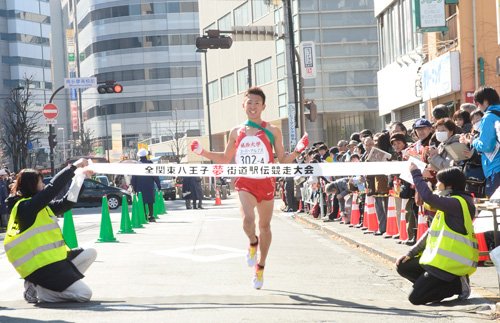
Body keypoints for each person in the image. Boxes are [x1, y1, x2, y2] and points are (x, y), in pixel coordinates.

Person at [189, 86, 309, 289]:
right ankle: (252, 242)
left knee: (265, 227)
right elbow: (226, 158)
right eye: (249, 102)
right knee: (247, 221)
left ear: (263, 106)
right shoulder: (236, 132)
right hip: (244, 182)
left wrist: (298, 150)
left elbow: (282, 160)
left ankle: (260, 267)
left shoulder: (273, 131)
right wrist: (203, 151)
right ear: (244, 105)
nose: (253, 106)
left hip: (266, 183)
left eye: (257, 103)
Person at [4, 159, 97, 303]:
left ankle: (43, 287)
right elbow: (52, 188)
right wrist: (74, 167)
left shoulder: (40, 206)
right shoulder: (25, 208)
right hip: (40, 268)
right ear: (31, 186)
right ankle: (43, 292)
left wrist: (81, 177)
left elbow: (67, 203)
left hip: (55, 262)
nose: (44, 185)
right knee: (85, 294)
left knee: (90, 253)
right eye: (41, 183)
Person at [396, 164, 478, 305]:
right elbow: (431, 232)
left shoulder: (456, 202)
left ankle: (458, 285)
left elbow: (428, 197)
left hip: (450, 265)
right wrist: (411, 252)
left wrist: (416, 174)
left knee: (415, 298)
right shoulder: (451, 201)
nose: (437, 185)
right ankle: (433, 286)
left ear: (449, 185)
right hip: (438, 261)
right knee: (403, 265)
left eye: (439, 182)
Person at [461, 85, 500, 197]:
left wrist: (473, 141)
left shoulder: (489, 117)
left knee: (495, 207)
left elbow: (487, 146)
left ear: (486, 102)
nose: (479, 107)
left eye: (478, 103)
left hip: (495, 168)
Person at [130, 148, 161, 222]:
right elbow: (155, 176)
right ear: (146, 155)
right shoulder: (150, 164)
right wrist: (158, 184)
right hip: (149, 186)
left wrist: (133, 186)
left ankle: (144, 215)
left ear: (139, 156)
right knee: (150, 202)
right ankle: (151, 216)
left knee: (142, 201)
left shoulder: (136, 165)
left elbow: (133, 177)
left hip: (140, 186)